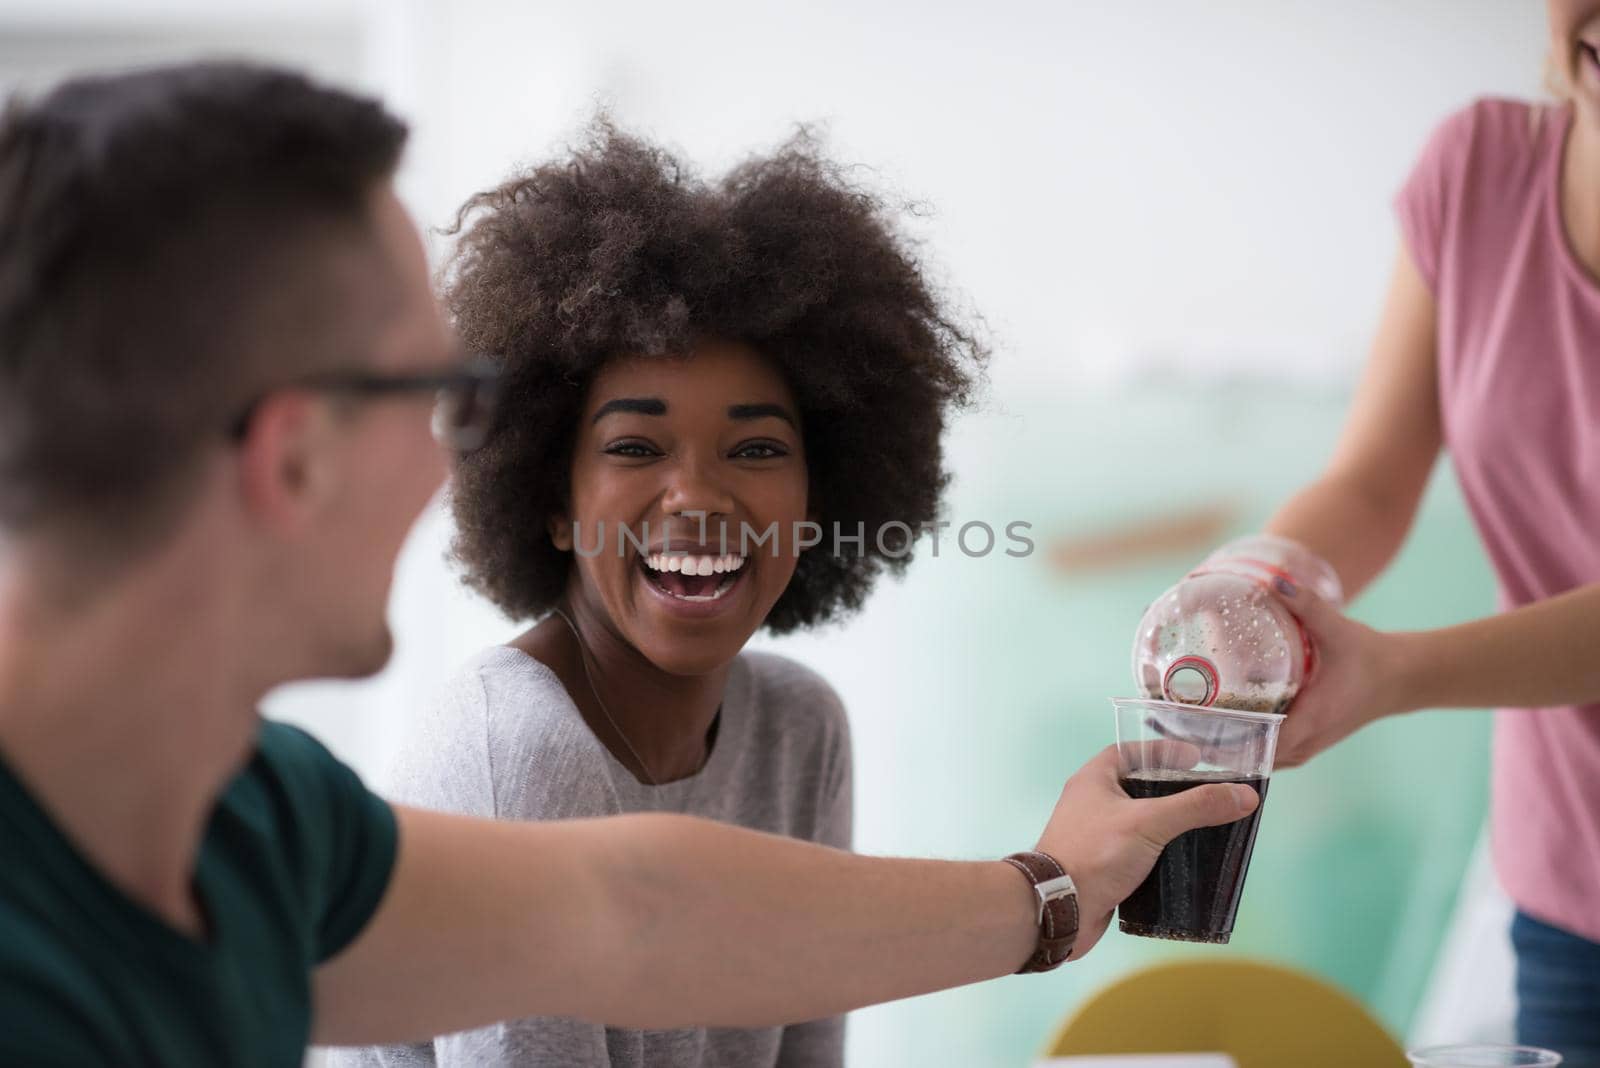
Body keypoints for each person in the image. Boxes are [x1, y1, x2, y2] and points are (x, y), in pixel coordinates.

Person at [0, 62, 1259, 1068]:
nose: (455, 456)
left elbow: (628, 919)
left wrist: (1051, 891)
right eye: (440, 390)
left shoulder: (255, 814)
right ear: (294, 458)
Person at [335, 123, 985, 1068]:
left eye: (756, 449)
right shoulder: (521, 747)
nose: (696, 496)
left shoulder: (801, 729)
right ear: (554, 503)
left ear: (818, 500)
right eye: (636, 449)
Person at [1230, 1, 1600, 1059]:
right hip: (1570, 895)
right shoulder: (1479, 167)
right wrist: (1263, 580)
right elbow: (1374, 481)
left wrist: (1391, 674)